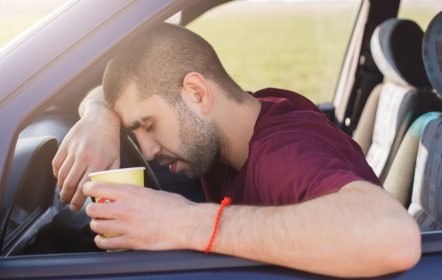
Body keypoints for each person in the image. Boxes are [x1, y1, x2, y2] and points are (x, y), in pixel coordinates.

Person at [52, 23, 421, 277]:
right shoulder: (249, 115)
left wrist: (181, 222)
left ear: (197, 93)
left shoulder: (283, 155)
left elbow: (394, 236)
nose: (147, 151)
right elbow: (115, 88)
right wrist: (100, 116)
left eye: (148, 125)